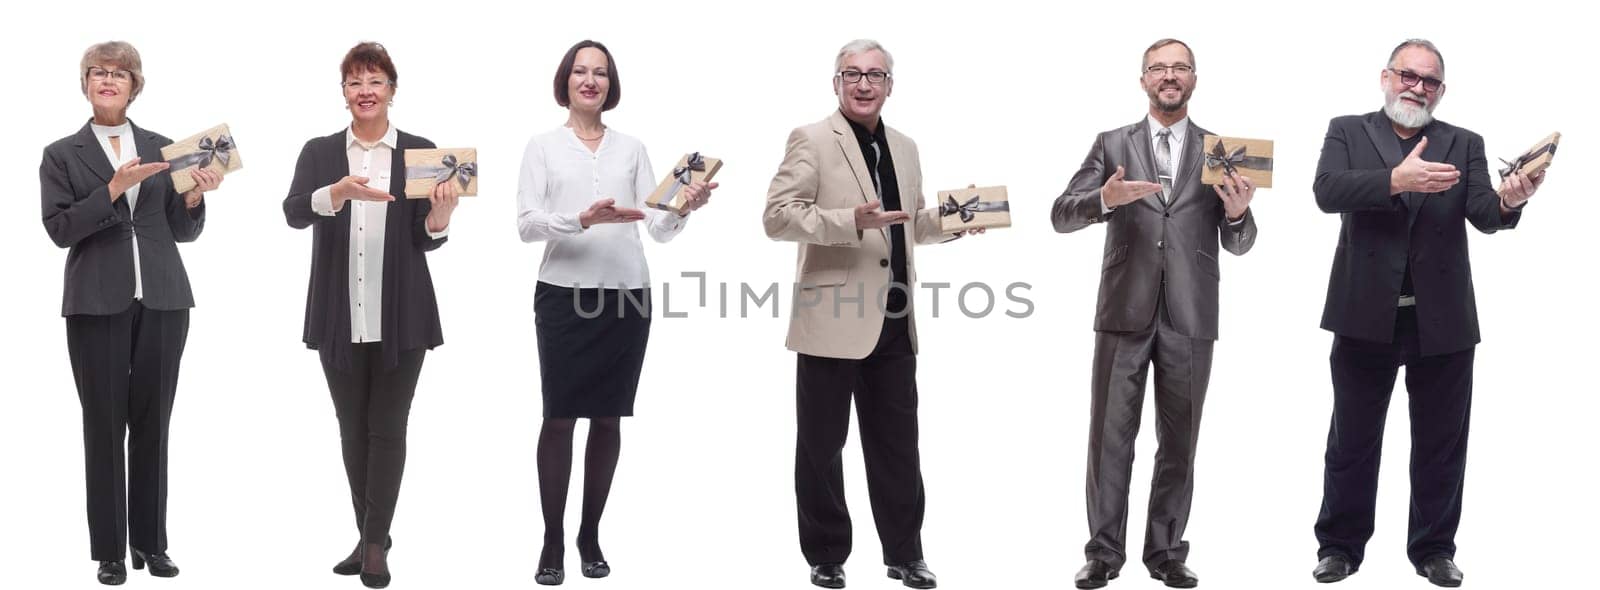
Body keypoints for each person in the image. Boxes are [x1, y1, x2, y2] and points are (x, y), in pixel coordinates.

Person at [1309, 39, 1543, 589]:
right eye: (1408, 76)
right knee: (1352, 440)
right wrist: (1394, 180)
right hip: (1364, 314)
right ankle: (1339, 548)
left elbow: (1486, 214)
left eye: (1430, 81)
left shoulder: (1464, 142)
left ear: (1441, 91)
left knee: (1441, 445)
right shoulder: (1347, 129)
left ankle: (1435, 549)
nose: (1417, 87)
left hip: (1442, 320)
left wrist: (1513, 197)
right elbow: (1325, 191)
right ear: (1386, 77)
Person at [763, 38, 982, 590]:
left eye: (875, 75)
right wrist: (847, 222)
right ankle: (827, 554)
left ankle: (906, 554)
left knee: (897, 445)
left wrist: (953, 223)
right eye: (852, 74)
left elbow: (905, 225)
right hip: (830, 317)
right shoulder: (811, 139)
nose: (864, 84)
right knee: (821, 446)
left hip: (894, 319)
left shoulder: (905, 147)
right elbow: (777, 216)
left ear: (890, 85)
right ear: (835, 83)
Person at [1049, 38, 1258, 590]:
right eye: (1159, 68)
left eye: (1180, 68)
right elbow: (1061, 215)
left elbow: (1240, 243)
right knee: (1109, 438)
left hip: (1191, 313)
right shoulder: (1112, 142)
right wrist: (1104, 200)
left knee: (1180, 439)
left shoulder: (1221, 151)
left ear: (1194, 79)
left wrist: (1238, 216)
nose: (1170, 75)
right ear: (1142, 80)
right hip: (1124, 309)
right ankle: (1103, 554)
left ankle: (1166, 552)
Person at [516, 39, 714, 586]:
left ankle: (590, 534)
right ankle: (552, 538)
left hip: (627, 297)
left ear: (611, 84)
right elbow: (526, 224)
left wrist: (683, 209)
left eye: (600, 73)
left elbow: (656, 228)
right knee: (558, 417)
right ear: (566, 81)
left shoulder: (632, 148)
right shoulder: (542, 147)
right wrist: (580, 220)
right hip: (562, 295)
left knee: (608, 417)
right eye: (580, 71)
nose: (590, 80)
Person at [40, 40, 224, 586]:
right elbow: (58, 230)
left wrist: (194, 198)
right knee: (103, 426)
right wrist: (112, 189)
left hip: (165, 300)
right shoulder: (61, 153)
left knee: (153, 427)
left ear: (134, 86)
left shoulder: (164, 147)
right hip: (96, 304)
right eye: (99, 71)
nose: (108, 80)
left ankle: (150, 541)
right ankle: (110, 551)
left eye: (120, 74)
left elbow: (183, 232)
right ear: (86, 83)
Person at [282, 41, 461, 590]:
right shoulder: (318, 151)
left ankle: (376, 544)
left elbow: (423, 240)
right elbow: (292, 213)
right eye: (355, 82)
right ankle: (369, 532)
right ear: (343, 93)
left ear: (392, 91)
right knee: (350, 428)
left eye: (376, 81)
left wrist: (440, 215)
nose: (365, 91)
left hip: (401, 312)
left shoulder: (420, 153)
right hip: (340, 309)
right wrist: (333, 193)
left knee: (388, 427)